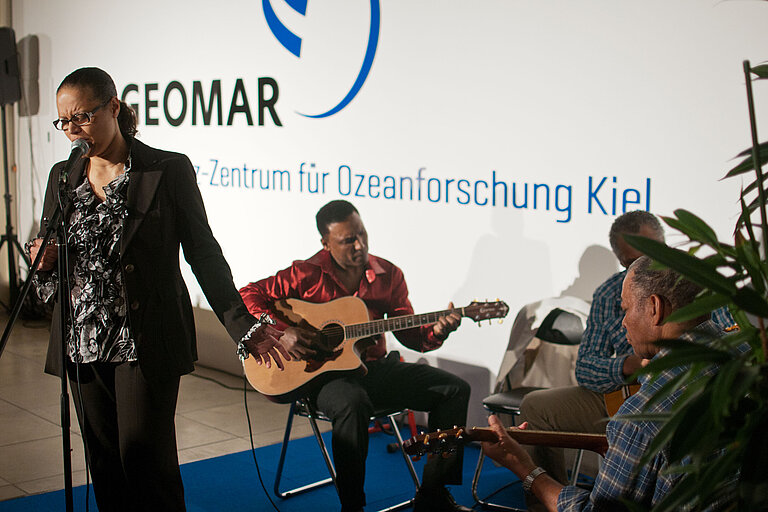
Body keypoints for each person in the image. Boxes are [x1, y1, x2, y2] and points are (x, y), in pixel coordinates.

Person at [27, 67, 288, 512]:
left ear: (113, 107)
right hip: (81, 343)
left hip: (144, 340)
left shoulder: (166, 169)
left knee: (146, 463)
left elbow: (203, 253)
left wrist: (241, 325)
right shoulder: (62, 176)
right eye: (64, 122)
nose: (72, 131)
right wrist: (44, 264)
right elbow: (51, 273)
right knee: (105, 465)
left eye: (82, 118)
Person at [239, 199, 472, 512]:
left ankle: (433, 496)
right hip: (321, 377)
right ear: (326, 242)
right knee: (353, 403)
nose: (360, 245)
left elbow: (412, 337)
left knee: (454, 389)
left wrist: (439, 331)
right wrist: (281, 331)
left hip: (372, 368)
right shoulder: (305, 273)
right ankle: (353, 507)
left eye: (362, 235)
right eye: (348, 240)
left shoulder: (388, 275)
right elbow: (248, 294)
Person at [516, 211, 733, 509]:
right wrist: (626, 365)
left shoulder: (643, 416)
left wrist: (527, 472)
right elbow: (585, 368)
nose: (623, 322)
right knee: (536, 405)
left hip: (646, 402)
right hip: (618, 393)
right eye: (634, 262)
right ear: (621, 261)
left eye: (627, 310)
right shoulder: (745, 373)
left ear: (655, 308)